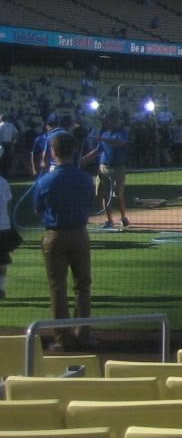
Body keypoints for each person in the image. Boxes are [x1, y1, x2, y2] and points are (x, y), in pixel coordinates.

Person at [32, 131, 98, 351]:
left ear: (53, 152)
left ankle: (62, 338)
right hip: (79, 233)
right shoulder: (85, 179)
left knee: (57, 288)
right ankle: (84, 335)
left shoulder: (45, 180)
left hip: (54, 234)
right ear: (75, 151)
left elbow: (37, 209)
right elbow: (89, 202)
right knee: (83, 286)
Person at [0, 171, 16, 300]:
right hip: (3, 226)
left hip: (3, 227)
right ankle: (1, 289)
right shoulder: (3, 181)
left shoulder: (3, 181)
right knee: (2, 262)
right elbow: (9, 205)